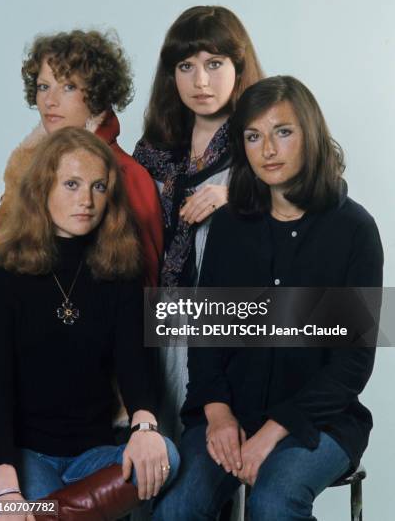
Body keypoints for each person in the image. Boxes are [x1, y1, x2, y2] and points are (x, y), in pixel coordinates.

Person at [153, 76, 383, 520]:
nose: (268, 150)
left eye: (283, 132)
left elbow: (352, 365)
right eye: (254, 136)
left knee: (274, 503)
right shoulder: (232, 225)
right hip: (230, 412)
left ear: (310, 135)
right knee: (177, 507)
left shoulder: (355, 230)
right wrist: (218, 414)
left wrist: (275, 431)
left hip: (319, 420)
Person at [0, 128, 179, 521]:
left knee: (168, 456)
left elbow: (134, 365)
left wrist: (144, 428)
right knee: (26, 502)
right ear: (43, 189)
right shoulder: (3, 278)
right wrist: (5, 487)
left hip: (93, 456)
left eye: (98, 186)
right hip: (26, 456)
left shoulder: (120, 273)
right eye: (71, 184)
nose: (87, 201)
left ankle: (48, 515)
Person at [133, 6, 264, 446]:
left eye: (214, 64)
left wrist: (238, 195)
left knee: (212, 457)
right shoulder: (154, 148)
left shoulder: (260, 140)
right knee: (153, 458)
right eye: (186, 67)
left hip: (224, 328)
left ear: (238, 67)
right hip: (156, 318)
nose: (200, 82)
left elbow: (318, 191)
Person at [0, 29, 162, 287]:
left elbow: (148, 288)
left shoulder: (126, 173)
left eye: (68, 87)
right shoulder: (26, 172)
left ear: (97, 94)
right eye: (43, 87)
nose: (50, 100)